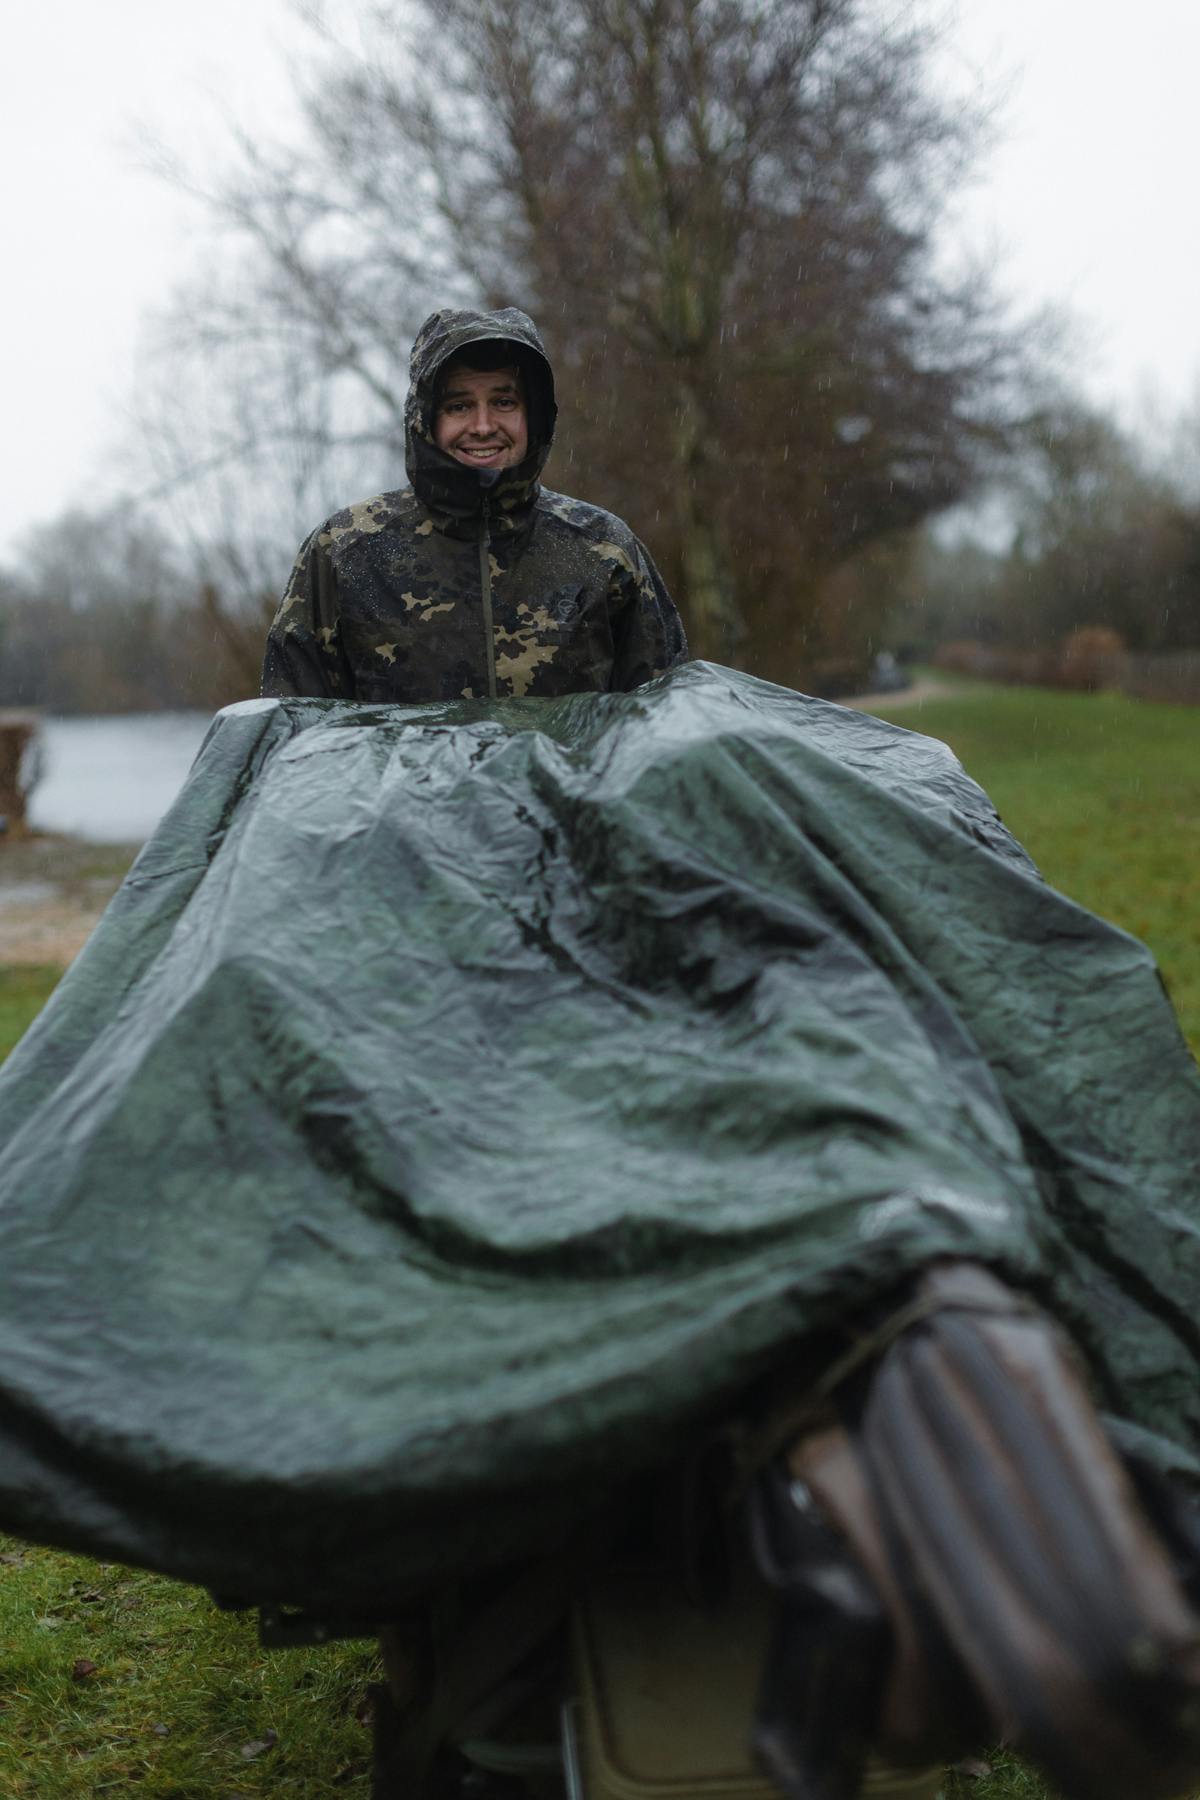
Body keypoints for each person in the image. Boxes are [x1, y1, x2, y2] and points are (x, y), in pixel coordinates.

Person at [261, 306, 688, 703]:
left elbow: (665, 728)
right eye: (459, 406)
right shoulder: (345, 551)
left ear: (533, 415)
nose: (483, 426)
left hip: (565, 789)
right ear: (426, 418)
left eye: (504, 402)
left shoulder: (604, 550)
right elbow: (295, 740)